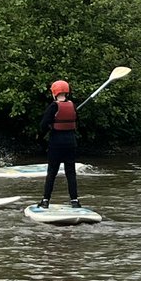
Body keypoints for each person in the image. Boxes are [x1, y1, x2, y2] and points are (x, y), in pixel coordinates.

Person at [38, 79, 81, 209]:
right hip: (70, 142)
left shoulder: (53, 106)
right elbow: (76, 119)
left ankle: (45, 201)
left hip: (56, 142)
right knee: (70, 173)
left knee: (52, 172)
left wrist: (40, 138)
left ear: (54, 92)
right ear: (67, 92)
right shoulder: (73, 105)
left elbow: (43, 125)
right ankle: (75, 201)